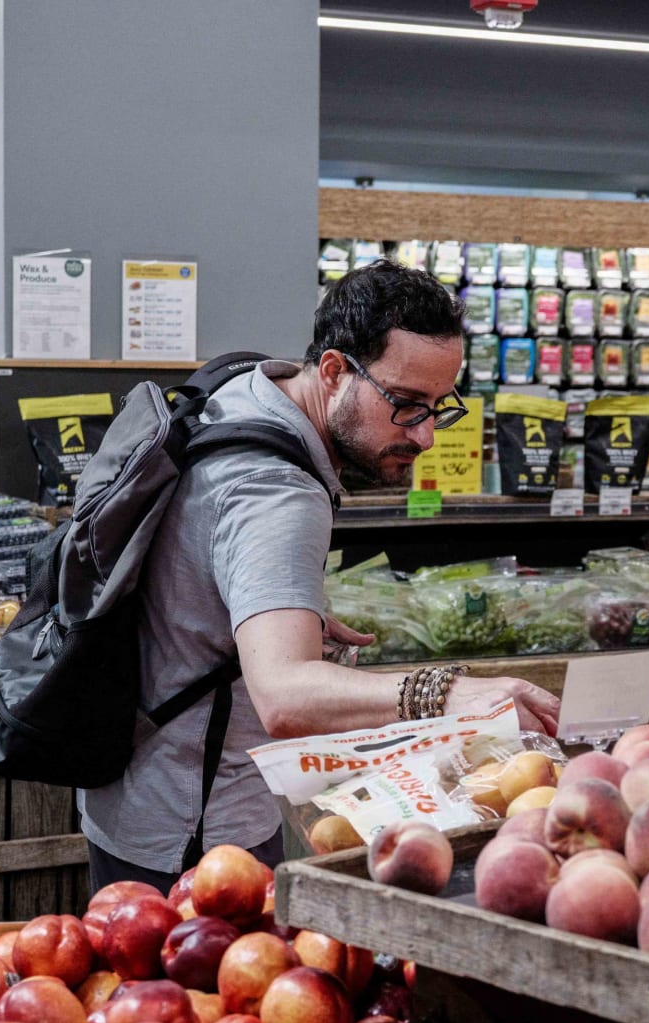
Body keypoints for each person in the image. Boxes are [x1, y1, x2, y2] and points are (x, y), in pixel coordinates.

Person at [79, 263, 561, 892]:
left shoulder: (244, 387)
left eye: (437, 409)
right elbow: (284, 697)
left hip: (140, 788)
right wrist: (447, 694)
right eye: (405, 405)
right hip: (195, 828)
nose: (423, 436)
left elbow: (196, 553)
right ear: (334, 371)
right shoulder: (278, 490)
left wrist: (271, 612)